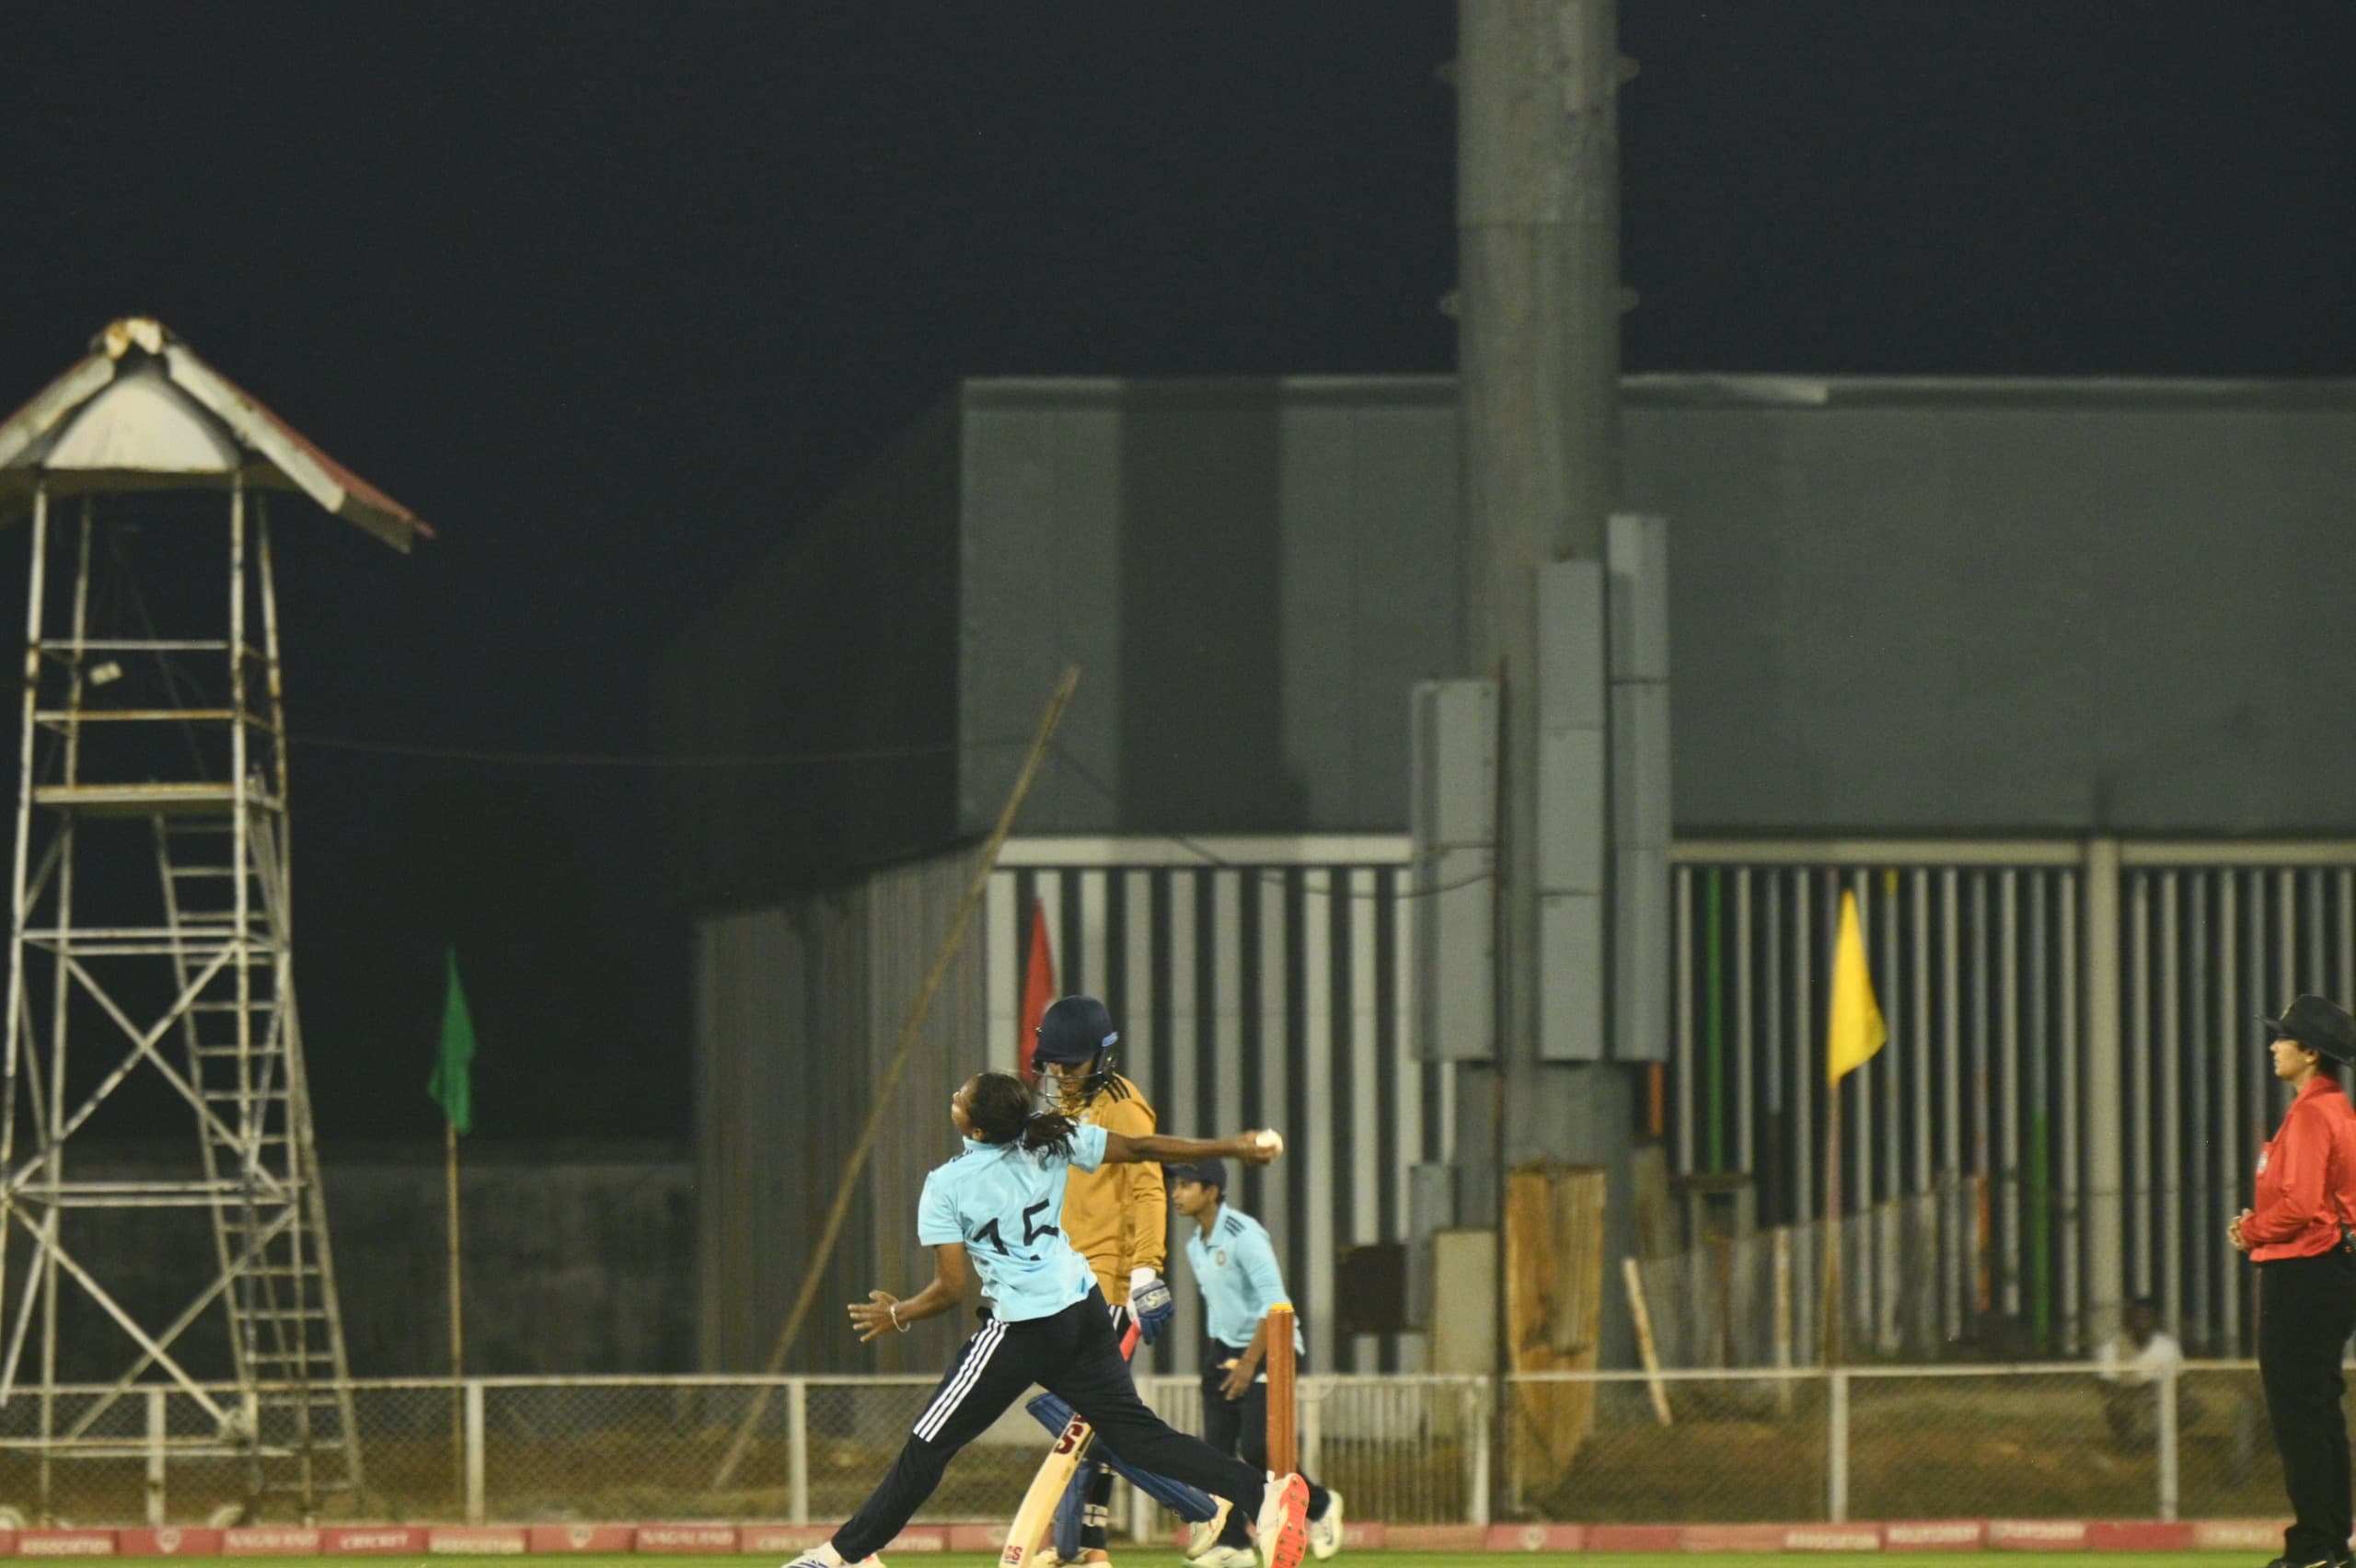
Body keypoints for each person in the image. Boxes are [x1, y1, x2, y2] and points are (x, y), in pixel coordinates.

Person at [784, 1072, 1311, 1568]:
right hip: (1083, 1312)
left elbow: (949, 1290)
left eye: (960, 1099)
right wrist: (1233, 1146)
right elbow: (1141, 1149)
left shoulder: (947, 1184)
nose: (954, 1099)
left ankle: (843, 1556)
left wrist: (899, 1313)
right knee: (1136, 1437)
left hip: (1022, 1328)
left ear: (976, 1129)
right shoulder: (1051, 1137)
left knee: (929, 1443)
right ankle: (1261, 1493)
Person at [1030, 997, 1177, 1566]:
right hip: (1061, 1282)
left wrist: (1145, 1271)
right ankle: (1088, 1549)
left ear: (1102, 1056)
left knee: (1083, 1417)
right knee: (1086, 1419)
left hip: (1106, 1284)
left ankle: (1088, 1549)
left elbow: (1148, 1190)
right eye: (1053, 1063)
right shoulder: (1059, 1108)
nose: (1060, 1073)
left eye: (1071, 1064)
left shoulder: (1123, 1107)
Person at [2228, 994, 2356, 1568]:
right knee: (2321, 1411)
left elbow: (2301, 1206)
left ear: (2310, 1053)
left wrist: (2250, 1230)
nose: (2274, 1046)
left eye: (2283, 1038)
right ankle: (2333, 1542)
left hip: (2304, 1270)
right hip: (2334, 1269)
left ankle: (2312, 1547)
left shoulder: (2309, 1114)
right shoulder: (2339, 1110)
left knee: (2298, 1414)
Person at [1168, 1159, 1344, 1567]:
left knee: (1258, 1447)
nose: (1176, 1194)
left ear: (1212, 1190)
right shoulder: (1195, 1245)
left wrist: (1249, 1361)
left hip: (1272, 1347)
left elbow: (1277, 1304)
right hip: (1226, 1350)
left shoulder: (1243, 1235)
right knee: (1214, 1453)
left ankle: (1319, 1506)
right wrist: (1219, 1356)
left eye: (1186, 1185)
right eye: (1175, 1186)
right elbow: (1219, 1307)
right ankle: (1233, 1545)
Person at [2093, 1296, 2189, 1450]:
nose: (2143, 1322)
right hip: (2128, 1397)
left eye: (2147, 1317)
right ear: (2129, 1321)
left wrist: (2155, 1390)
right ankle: (2129, 1441)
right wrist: (2137, 1392)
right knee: (2120, 1406)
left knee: (2190, 1405)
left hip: (2159, 1396)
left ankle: (2159, 1440)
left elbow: (2179, 1380)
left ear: (2156, 1320)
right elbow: (2106, 1385)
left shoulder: (2168, 1346)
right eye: (2138, 1317)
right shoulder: (2111, 1347)